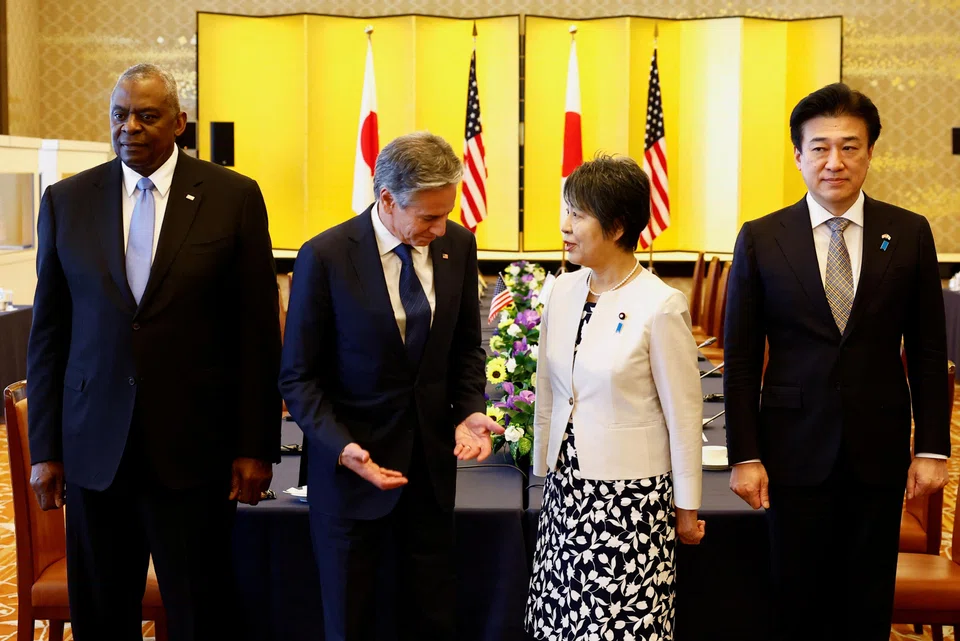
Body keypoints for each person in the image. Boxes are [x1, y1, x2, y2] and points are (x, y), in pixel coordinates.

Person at [26, 63, 281, 640]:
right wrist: (46, 449)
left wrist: (255, 445)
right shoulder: (67, 200)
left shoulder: (232, 197)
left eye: (146, 115)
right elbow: (49, 335)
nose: (130, 128)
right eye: (120, 115)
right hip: (94, 451)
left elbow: (257, 333)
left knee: (201, 615)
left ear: (179, 122)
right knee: (101, 617)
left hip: (195, 452)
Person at [724, 82, 950, 641]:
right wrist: (745, 455)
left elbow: (928, 351)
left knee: (866, 604)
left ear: (870, 152)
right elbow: (742, 360)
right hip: (791, 449)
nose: (835, 162)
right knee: (795, 600)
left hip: (879, 449)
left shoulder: (909, 233)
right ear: (798, 155)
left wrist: (932, 448)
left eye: (850, 147)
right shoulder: (761, 238)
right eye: (820, 147)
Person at [278, 131, 503, 641]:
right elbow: (299, 376)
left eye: (446, 214)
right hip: (351, 476)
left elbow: (466, 348)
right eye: (428, 217)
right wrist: (343, 448)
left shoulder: (457, 245)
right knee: (352, 620)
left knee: (429, 618)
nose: (440, 228)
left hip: (429, 474)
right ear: (386, 199)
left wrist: (470, 408)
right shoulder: (326, 256)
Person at [526, 155, 705, 641]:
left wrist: (687, 507)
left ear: (618, 226)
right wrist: (543, 464)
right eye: (566, 211)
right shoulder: (562, 290)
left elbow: (684, 415)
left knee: (620, 625)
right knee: (562, 619)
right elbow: (549, 388)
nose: (565, 226)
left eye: (578, 214)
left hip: (630, 500)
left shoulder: (660, 304)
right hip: (567, 488)